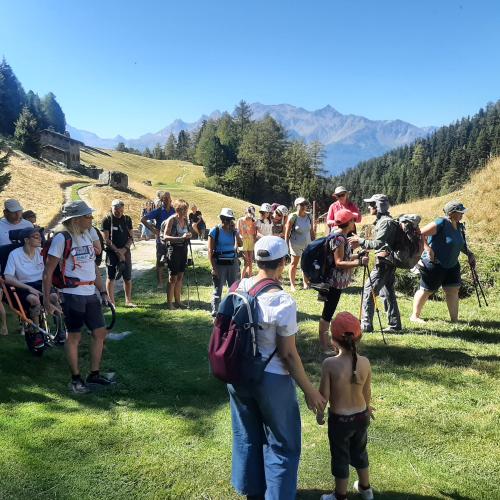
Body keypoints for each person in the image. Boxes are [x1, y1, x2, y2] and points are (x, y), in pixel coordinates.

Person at [227, 236, 326, 499]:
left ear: (258, 260)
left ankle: (253, 492)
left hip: (237, 374)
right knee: (283, 444)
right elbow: (288, 354)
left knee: (247, 435)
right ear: (283, 262)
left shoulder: (237, 287)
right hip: (272, 380)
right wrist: (309, 390)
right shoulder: (281, 301)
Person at [43, 200, 111, 394]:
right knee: (74, 336)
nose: (91, 219)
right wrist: (47, 300)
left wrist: (103, 291)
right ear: (76, 219)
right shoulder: (61, 239)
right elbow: (48, 272)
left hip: (90, 293)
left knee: (100, 332)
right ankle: (75, 379)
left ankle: (94, 375)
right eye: (87, 216)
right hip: (72, 294)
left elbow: (93, 267)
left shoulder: (88, 234)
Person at [317, 312, 374, 500]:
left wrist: (320, 414)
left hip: (340, 421)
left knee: (341, 457)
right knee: (360, 452)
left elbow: (324, 396)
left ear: (333, 339)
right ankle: (366, 489)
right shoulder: (365, 362)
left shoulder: (330, 364)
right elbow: (367, 393)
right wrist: (369, 408)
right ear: (358, 338)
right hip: (361, 417)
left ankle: (340, 496)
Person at [410, 200, 475, 324]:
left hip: (452, 264)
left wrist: (470, 254)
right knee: (426, 290)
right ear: (452, 213)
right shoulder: (441, 222)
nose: (462, 214)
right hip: (434, 263)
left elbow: (459, 244)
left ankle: (454, 320)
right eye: (460, 212)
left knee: (453, 290)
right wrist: (428, 249)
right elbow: (419, 234)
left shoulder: (459, 225)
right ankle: (415, 316)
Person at [349, 194, 402, 333]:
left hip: (384, 263)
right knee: (388, 292)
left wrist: (360, 241)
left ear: (378, 206)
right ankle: (395, 324)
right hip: (389, 262)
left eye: (372, 204)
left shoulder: (385, 222)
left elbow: (378, 244)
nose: (369, 207)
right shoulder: (384, 221)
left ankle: (366, 325)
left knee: (369, 289)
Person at [318, 210, 369, 354]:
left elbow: (344, 256)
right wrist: (359, 262)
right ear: (349, 222)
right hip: (333, 282)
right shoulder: (339, 239)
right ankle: (324, 345)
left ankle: (326, 343)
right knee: (328, 313)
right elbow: (339, 262)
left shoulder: (339, 235)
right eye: (353, 220)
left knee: (329, 311)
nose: (354, 222)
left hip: (334, 280)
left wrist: (357, 255)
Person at [4, 227, 60, 346]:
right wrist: (28, 288)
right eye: (36, 236)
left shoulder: (42, 252)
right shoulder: (14, 254)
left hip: (42, 282)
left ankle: (61, 328)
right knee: (34, 299)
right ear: (26, 240)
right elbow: (8, 277)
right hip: (24, 284)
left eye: (40, 236)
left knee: (54, 296)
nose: (40, 238)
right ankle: (36, 332)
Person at [208, 208, 242, 317]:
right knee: (218, 288)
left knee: (234, 287)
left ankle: (231, 308)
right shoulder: (215, 231)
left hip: (232, 262)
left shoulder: (233, 232)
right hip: (220, 263)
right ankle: (216, 309)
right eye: (226, 219)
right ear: (222, 219)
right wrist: (213, 267)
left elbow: (240, 244)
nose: (227, 221)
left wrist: (236, 232)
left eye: (230, 219)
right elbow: (210, 250)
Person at [102, 199, 135, 307]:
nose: (119, 213)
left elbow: (131, 237)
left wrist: (124, 250)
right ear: (112, 208)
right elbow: (106, 239)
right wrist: (117, 251)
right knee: (111, 277)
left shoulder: (127, 219)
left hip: (125, 251)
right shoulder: (107, 220)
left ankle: (128, 301)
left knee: (127, 277)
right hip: (112, 252)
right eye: (116, 211)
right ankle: (112, 302)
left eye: (121, 211)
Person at [161, 199, 192, 310]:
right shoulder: (172, 220)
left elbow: (187, 233)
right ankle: (170, 303)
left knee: (180, 276)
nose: (185, 212)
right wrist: (181, 238)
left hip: (183, 250)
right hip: (173, 250)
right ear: (178, 209)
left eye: (186, 209)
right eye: (184, 209)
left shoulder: (186, 220)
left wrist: (188, 235)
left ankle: (178, 301)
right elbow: (165, 237)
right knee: (172, 277)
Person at [141, 192, 175, 289]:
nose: (167, 200)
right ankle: (160, 282)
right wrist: (153, 230)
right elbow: (143, 219)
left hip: (172, 240)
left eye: (168, 198)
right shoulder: (158, 211)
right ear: (162, 200)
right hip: (161, 240)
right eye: (165, 198)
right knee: (160, 261)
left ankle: (171, 281)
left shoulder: (174, 211)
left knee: (172, 261)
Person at [285, 197, 315, 292]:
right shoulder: (293, 217)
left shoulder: (309, 216)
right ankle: (292, 285)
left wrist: (314, 242)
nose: (304, 206)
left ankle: (305, 283)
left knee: (305, 264)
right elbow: (287, 232)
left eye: (305, 204)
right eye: (301, 204)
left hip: (307, 244)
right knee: (294, 264)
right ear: (296, 206)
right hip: (295, 244)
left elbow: (311, 231)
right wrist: (286, 245)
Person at [237, 206, 257, 279]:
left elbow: (254, 233)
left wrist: (254, 241)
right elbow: (238, 231)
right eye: (250, 212)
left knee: (250, 262)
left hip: (251, 241)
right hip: (244, 241)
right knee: (246, 262)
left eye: (252, 213)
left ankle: (250, 278)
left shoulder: (253, 221)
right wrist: (240, 239)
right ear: (246, 212)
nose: (251, 214)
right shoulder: (240, 220)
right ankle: (242, 279)